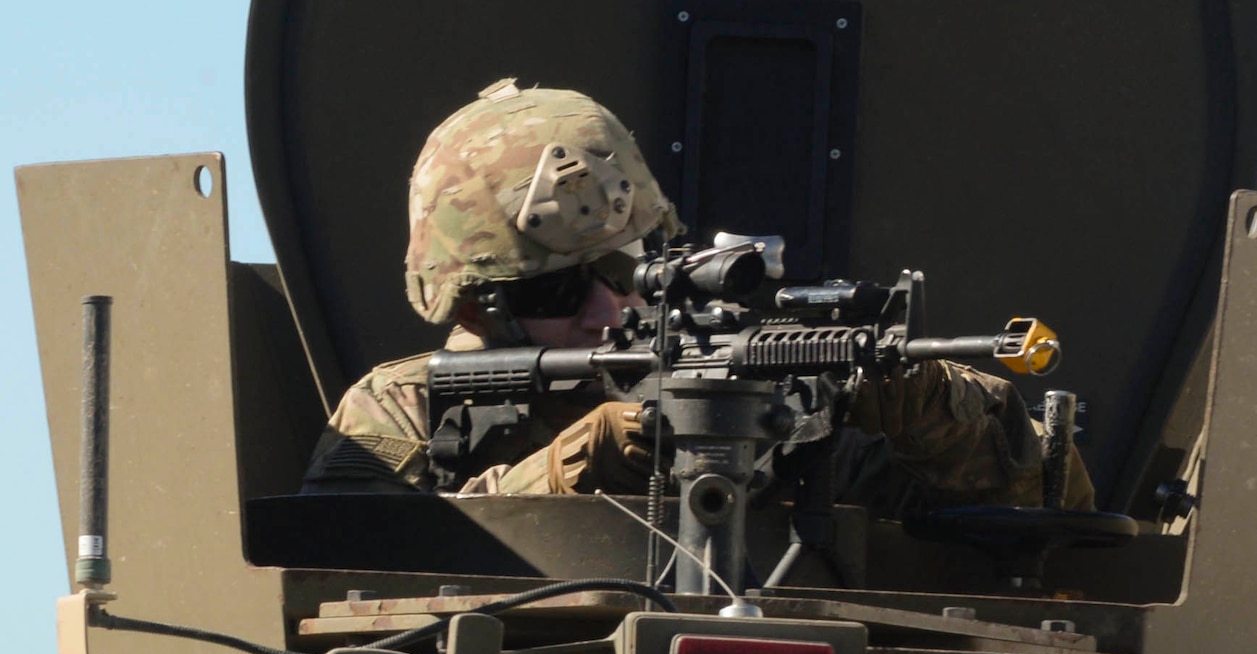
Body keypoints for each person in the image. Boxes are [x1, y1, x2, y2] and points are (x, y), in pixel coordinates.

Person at [301, 79, 1094, 515]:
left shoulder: (757, 390)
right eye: (559, 288)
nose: (608, 312)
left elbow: (1053, 507)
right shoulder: (403, 409)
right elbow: (336, 564)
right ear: (472, 305)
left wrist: (920, 405)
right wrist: (583, 462)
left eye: (632, 268)